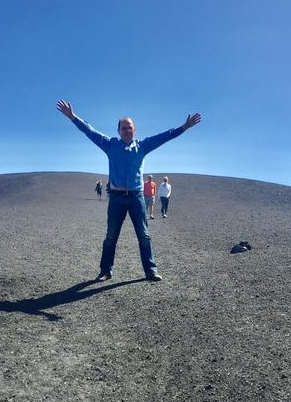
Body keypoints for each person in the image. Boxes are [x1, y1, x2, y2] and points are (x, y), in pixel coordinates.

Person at [56, 99, 201, 281]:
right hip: (116, 198)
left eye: (129, 127)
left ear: (134, 130)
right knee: (111, 236)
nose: (126, 130)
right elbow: (90, 131)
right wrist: (72, 117)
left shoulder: (142, 146)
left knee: (144, 235)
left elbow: (164, 136)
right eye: (123, 128)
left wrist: (184, 127)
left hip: (136, 197)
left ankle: (150, 270)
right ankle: (105, 270)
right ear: (118, 131)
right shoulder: (111, 145)